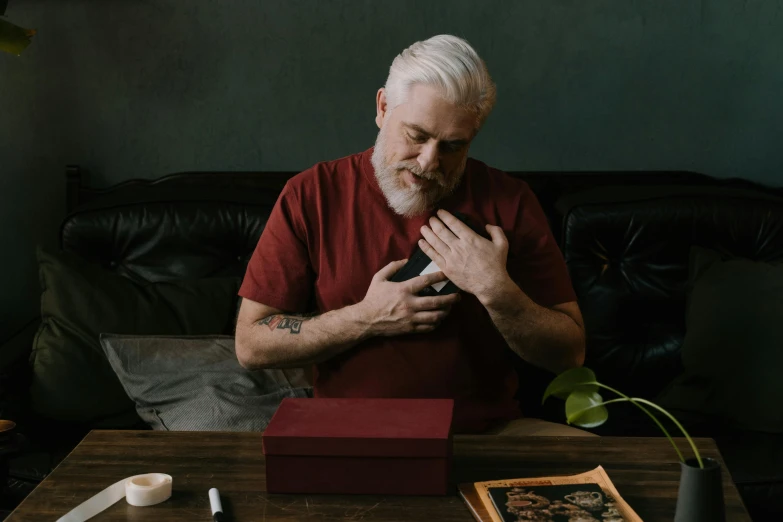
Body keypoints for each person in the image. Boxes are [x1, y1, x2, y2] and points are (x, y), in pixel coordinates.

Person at [235, 34, 592, 436]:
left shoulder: (510, 201)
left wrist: (497, 290)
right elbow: (250, 344)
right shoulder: (312, 194)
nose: (429, 162)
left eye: (453, 146)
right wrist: (367, 318)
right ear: (383, 107)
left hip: (484, 435)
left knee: (608, 471)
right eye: (417, 136)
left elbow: (570, 354)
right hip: (351, 434)